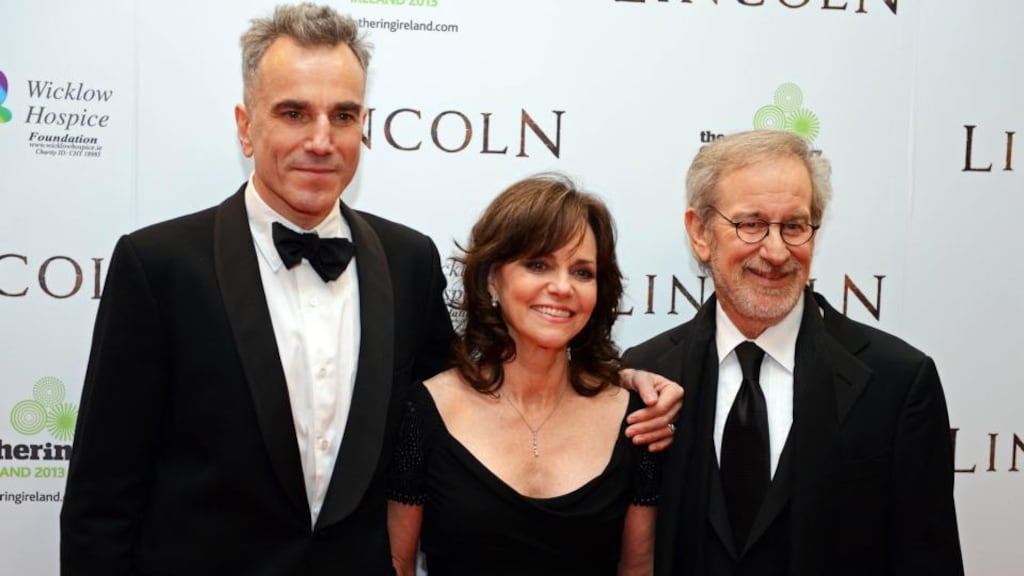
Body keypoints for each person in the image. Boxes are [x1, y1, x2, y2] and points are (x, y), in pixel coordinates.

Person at [60, 5, 679, 575]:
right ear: (246, 128)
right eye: (294, 112)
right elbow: (102, 500)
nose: (322, 140)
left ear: (364, 124)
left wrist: (616, 380)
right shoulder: (159, 265)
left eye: (344, 115)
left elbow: (472, 391)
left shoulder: (407, 261)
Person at [623, 130, 964, 576]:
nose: (777, 251)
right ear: (700, 233)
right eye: (751, 224)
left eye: (794, 226)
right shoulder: (646, 373)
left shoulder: (897, 382)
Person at [387, 175, 658, 576]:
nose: (563, 287)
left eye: (582, 272)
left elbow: (638, 569)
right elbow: (398, 565)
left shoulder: (634, 419)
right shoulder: (426, 410)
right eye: (538, 264)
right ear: (492, 278)